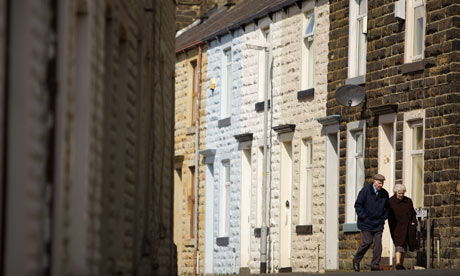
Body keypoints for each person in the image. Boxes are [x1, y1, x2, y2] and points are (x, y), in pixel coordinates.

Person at [352, 173, 390, 272]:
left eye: (382, 183)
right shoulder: (365, 191)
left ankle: (375, 265)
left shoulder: (384, 194)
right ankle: (356, 260)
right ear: (374, 182)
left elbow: (388, 208)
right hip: (366, 222)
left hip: (378, 223)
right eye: (379, 183)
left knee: (378, 244)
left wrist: (383, 218)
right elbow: (358, 205)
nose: (380, 185)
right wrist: (364, 217)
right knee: (367, 242)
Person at [388, 183, 418, 270]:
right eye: (399, 193)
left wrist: (413, 222)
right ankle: (397, 262)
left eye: (402, 193)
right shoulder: (391, 201)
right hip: (396, 226)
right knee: (398, 244)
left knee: (404, 245)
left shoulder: (408, 201)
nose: (401, 195)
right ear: (395, 192)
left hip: (407, 226)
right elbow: (388, 214)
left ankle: (401, 263)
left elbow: (413, 213)